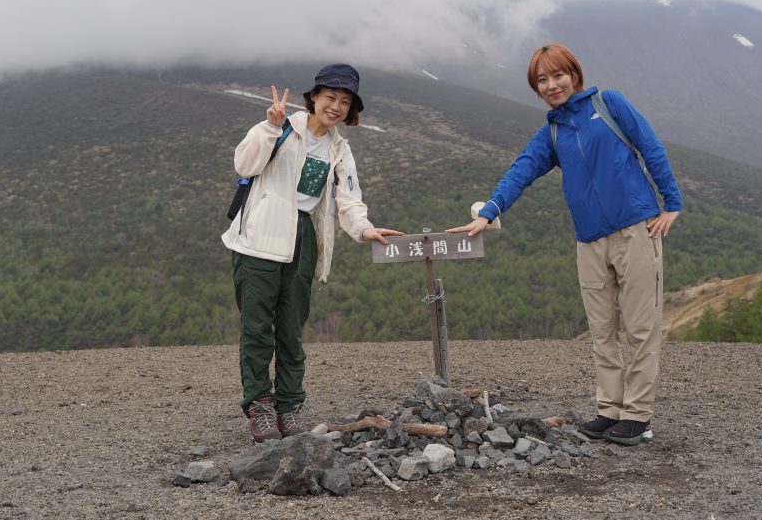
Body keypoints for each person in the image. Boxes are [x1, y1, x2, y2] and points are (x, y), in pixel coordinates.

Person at [448, 43, 681, 446]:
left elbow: (650, 146)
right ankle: (610, 410)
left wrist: (672, 203)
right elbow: (521, 170)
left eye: (558, 75)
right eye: (542, 80)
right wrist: (488, 212)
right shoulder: (553, 132)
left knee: (641, 329)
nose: (552, 85)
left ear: (574, 75)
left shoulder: (609, 104)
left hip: (635, 231)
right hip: (588, 242)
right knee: (602, 331)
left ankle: (637, 415)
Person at [222, 63, 403, 443]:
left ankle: (288, 406)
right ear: (314, 97)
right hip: (260, 237)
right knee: (257, 328)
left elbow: (348, 198)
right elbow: (244, 164)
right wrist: (270, 126)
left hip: (304, 237)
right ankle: (260, 406)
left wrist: (364, 229)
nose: (336, 106)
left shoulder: (340, 148)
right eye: (330, 97)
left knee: (291, 329)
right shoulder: (283, 127)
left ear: (351, 110)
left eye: (345, 101)